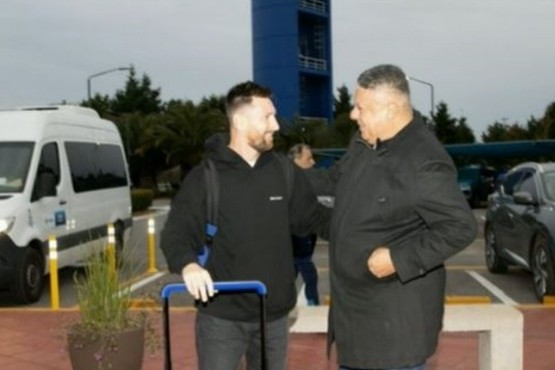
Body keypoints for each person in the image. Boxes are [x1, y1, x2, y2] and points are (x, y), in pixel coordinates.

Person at [308, 64, 477, 370]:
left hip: (393, 336)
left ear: (391, 109)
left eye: (361, 108)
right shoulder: (365, 144)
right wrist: (280, 177)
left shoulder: (424, 160)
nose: (353, 115)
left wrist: (399, 259)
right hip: (356, 323)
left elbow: (460, 226)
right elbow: (333, 180)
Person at [160, 81, 326, 370]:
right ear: (239, 120)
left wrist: (365, 232)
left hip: (273, 317)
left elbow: (315, 218)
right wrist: (188, 265)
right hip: (221, 318)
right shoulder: (205, 177)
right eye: (267, 117)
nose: (275, 125)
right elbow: (175, 233)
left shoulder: (284, 172)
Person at [288, 144, 319, 306]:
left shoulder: (308, 180)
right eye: (308, 158)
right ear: (296, 160)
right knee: (308, 271)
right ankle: (312, 301)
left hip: (303, 235)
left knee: (291, 270)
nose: (313, 162)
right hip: (298, 235)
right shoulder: (286, 181)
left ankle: (279, 302)